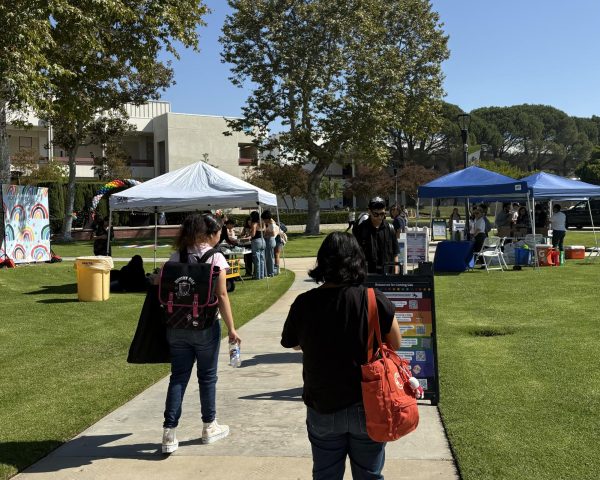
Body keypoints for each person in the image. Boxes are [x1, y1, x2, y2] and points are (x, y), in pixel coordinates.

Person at [281, 232, 401, 480]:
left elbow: (292, 343)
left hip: (322, 404)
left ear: (322, 262)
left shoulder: (304, 302)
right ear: (357, 260)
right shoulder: (372, 299)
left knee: (325, 475)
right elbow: (396, 343)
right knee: (369, 473)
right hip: (367, 405)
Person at [161, 213, 241, 454]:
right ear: (208, 234)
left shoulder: (178, 255)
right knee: (207, 377)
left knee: (178, 377)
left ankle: (169, 433)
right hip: (205, 324)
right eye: (218, 233)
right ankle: (209, 425)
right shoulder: (215, 257)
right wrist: (232, 328)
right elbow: (222, 295)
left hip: (176, 324)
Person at [353, 197, 399, 275]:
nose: (380, 217)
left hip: (387, 273)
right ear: (369, 212)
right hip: (367, 273)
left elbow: (395, 253)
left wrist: (396, 270)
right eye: (376, 214)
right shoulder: (360, 229)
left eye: (382, 214)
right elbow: (355, 253)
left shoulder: (390, 229)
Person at [261, 210, 279, 277]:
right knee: (269, 257)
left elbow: (273, 233)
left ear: (267, 219)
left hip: (270, 241)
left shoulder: (271, 224)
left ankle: (271, 272)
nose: (264, 221)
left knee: (269, 258)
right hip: (271, 241)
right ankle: (270, 271)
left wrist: (266, 235)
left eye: (264, 219)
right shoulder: (271, 222)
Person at [249, 210, 266, 279]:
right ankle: (261, 275)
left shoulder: (254, 224)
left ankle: (257, 276)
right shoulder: (262, 223)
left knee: (257, 260)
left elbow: (253, 234)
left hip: (256, 241)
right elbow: (264, 233)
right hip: (263, 240)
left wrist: (249, 233)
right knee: (262, 259)